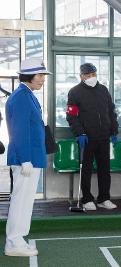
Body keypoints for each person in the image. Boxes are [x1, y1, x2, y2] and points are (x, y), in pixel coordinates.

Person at [5, 58, 51, 257]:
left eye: (43, 75)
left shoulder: (27, 95)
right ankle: (13, 241)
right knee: (20, 201)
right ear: (28, 75)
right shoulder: (21, 97)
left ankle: (18, 239)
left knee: (25, 201)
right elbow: (19, 130)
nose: (42, 79)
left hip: (32, 158)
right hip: (27, 159)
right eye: (40, 75)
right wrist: (25, 159)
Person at [66, 63, 119, 211]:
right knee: (86, 170)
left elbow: (111, 112)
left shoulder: (103, 90)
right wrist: (80, 133)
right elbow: (71, 116)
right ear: (81, 76)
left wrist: (114, 130)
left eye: (94, 74)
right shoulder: (74, 92)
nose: (91, 78)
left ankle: (104, 198)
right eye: (88, 75)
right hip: (86, 138)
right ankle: (87, 199)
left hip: (103, 137)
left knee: (104, 169)